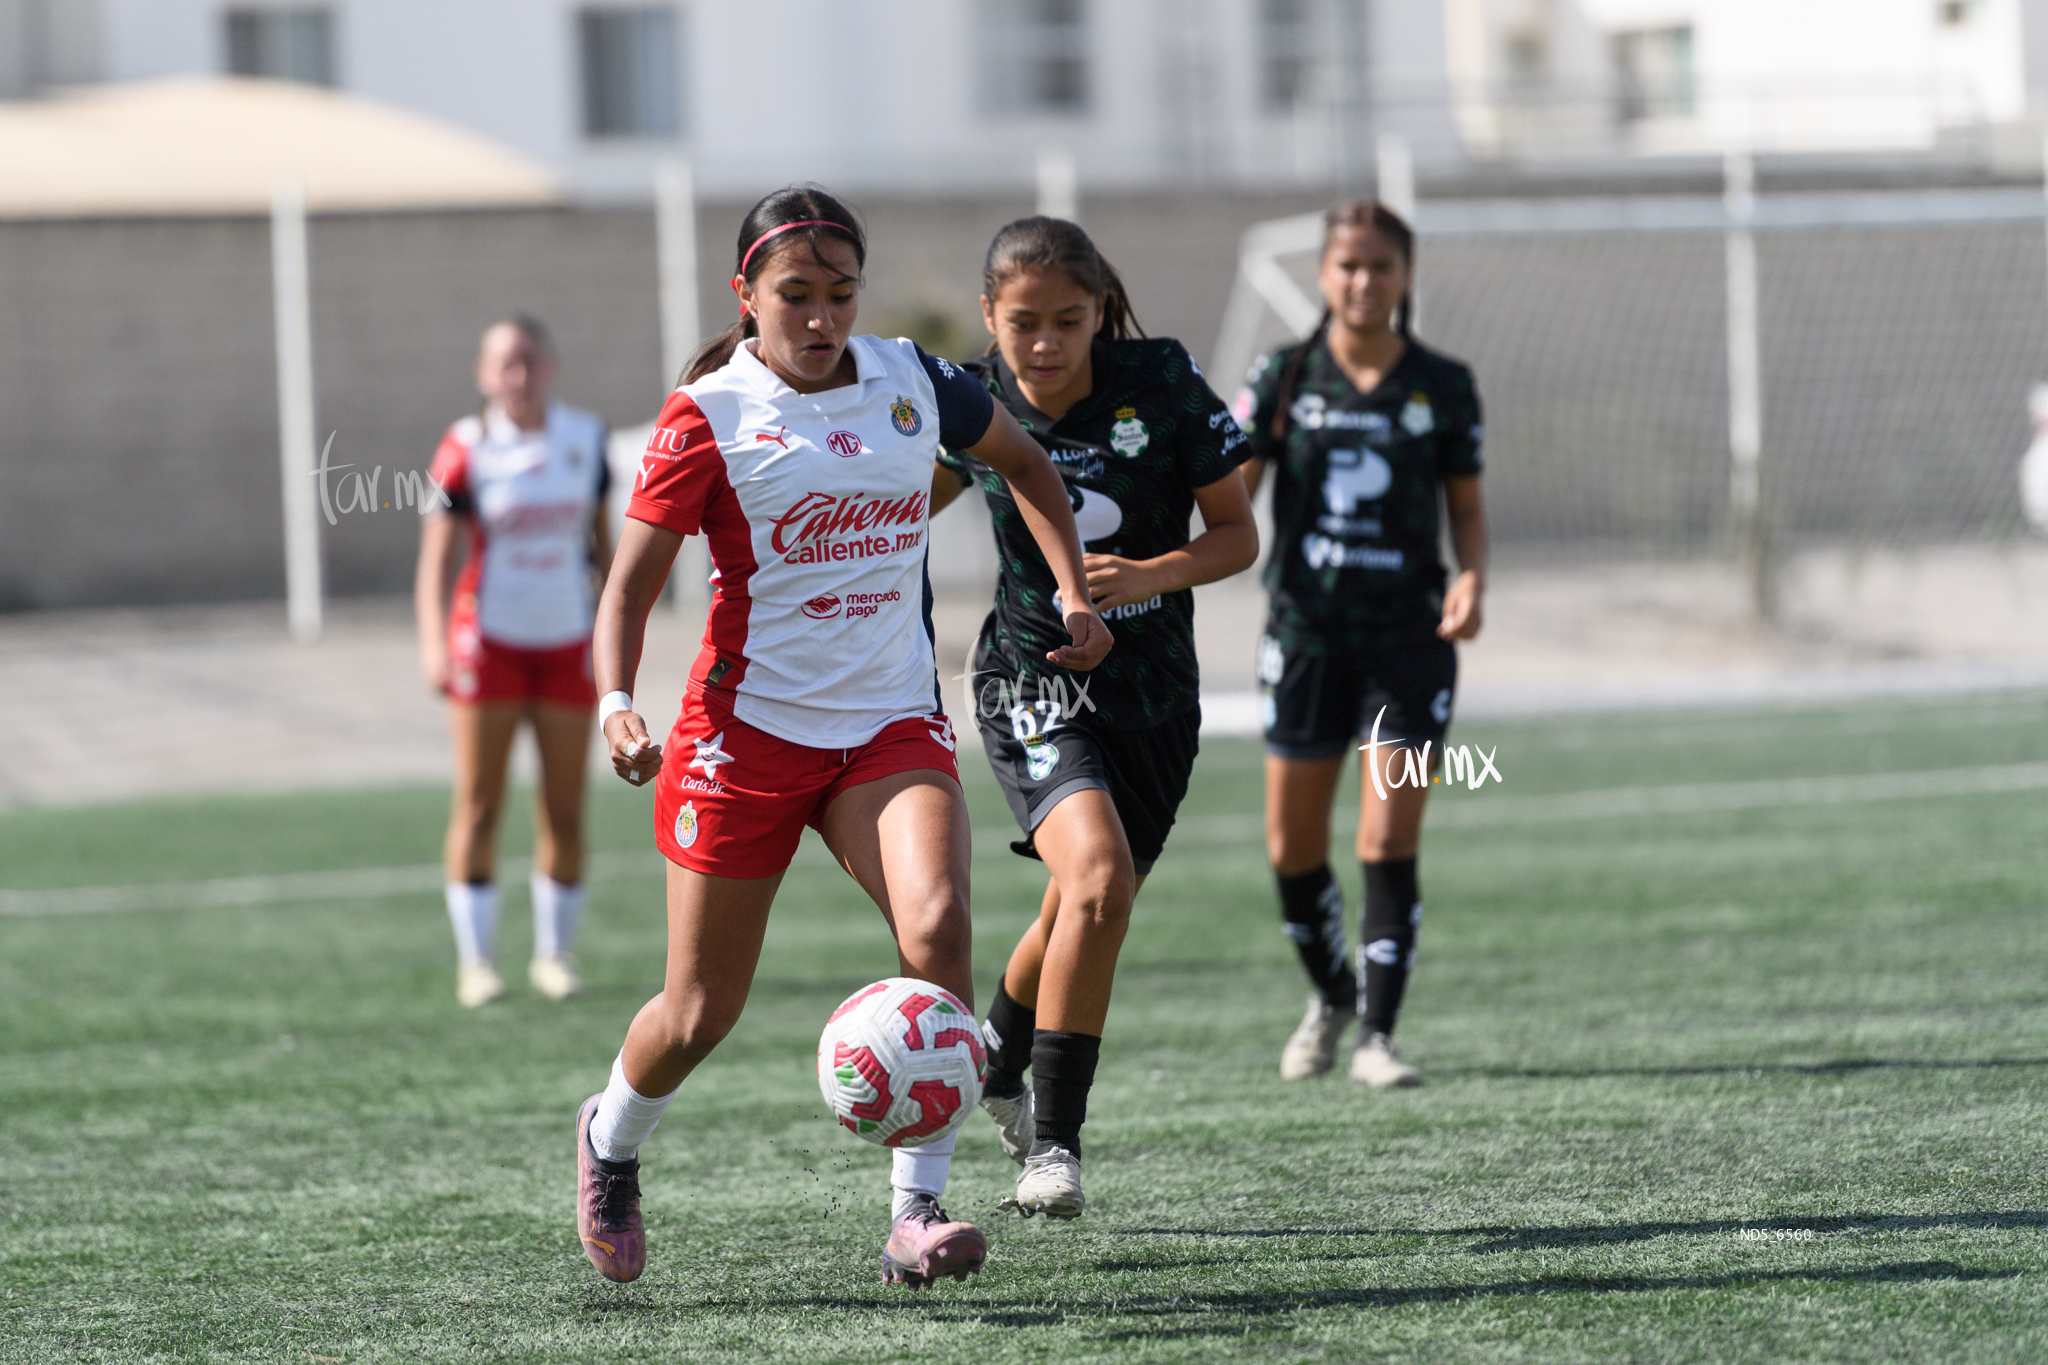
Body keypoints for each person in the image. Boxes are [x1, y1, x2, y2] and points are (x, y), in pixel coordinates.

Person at [572, 187, 1110, 1289]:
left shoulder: (912, 379)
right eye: (795, 296)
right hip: (745, 736)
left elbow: (1028, 466)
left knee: (940, 928)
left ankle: (915, 1218)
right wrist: (617, 702)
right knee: (696, 1011)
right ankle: (610, 1142)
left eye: (839, 294)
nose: (820, 318)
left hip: (886, 723)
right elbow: (628, 586)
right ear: (747, 297)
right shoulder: (707, 417)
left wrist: (1071, 593)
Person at [930, 217, 1258, 1218]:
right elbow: (889, 516)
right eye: (1021, 322)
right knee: (1099, 880)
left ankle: (992, 1061)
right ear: (988, 318)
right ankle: (1053, 1148)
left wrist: (1150, 575)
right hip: (1031, 683)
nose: (1043, 342)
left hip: (1155, 694)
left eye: (1065, 320)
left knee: (1082, 904)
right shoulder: (969, 404)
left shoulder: (1158, 384)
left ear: (1094, 314)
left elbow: (1236, 535)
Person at [1232, 201, 1489, 1088]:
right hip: (1304, 639)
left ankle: (1379, 1035)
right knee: (1292, 848)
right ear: (1323, 273)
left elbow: (1466, 507)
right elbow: (1233, 495)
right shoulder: (1281, 376)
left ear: (1406, 275)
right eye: (1348, 265)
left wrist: (1470, 576)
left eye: (1381, 266)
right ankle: (1332, 995)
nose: (1363, 281)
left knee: (1387, 835)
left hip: (1408, 646)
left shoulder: (1443, 384)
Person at [415, 315, 611, 1008]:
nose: (518, 376)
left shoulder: (585, 440)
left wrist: (616, 639)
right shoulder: (462, 447)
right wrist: (434, 642)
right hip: (487, 644)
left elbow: (606, 550)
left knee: (564, 807)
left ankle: (555, 955)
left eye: (529, 360)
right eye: (505, 364)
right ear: (483, 374)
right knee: (478, 802)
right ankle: (478, 962)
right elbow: (438, 554)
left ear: (549, 366)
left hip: (566, 646)